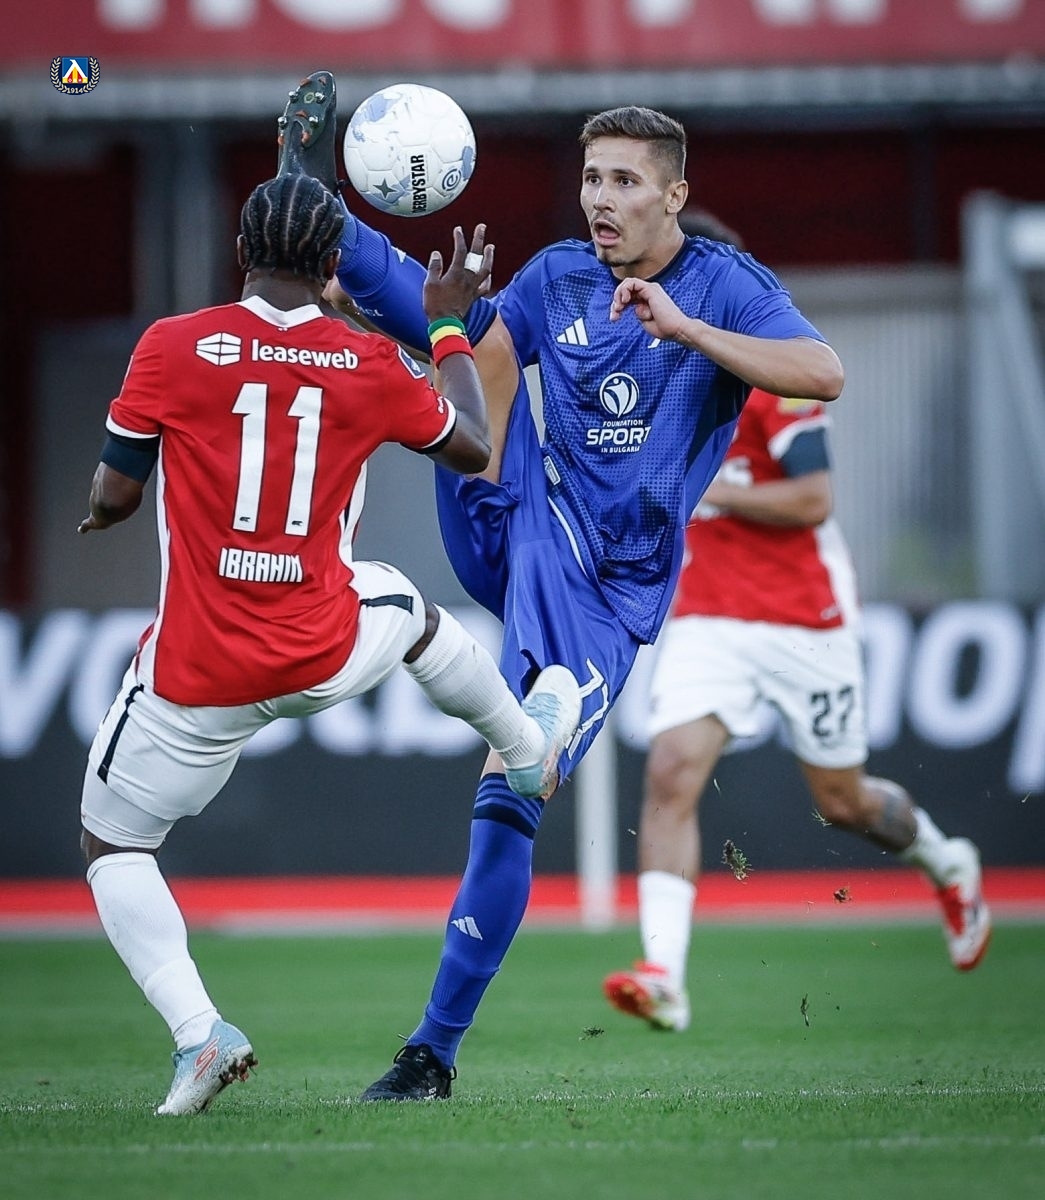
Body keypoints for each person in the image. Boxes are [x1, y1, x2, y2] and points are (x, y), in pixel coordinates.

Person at [277, 71, 844, 1099]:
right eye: (591, 179)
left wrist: (686, 330)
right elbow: (480, 352)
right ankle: (323, 211)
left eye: (624, 181)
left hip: (610, 589)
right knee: (482, 332)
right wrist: (422, 322)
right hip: (515, 515)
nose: (600, 199)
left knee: (510, 797)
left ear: (673, 195)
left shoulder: (723, 284)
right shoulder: (561, 274)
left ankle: (430, 1053)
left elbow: (822, 372)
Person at [77, 171, 582, 1117]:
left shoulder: (169, 346)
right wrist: (443, 323)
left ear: (241, 252)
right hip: (325, 648)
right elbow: (473, 445)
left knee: (113, 845)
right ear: (332, 264)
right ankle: (524, 750)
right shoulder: (368, 361)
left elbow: (116, 493)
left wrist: (97, 516)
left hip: (197, 674)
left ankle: (199, 1035)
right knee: (412, 614)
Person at [601, 214, 991, 1033]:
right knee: (670, 770)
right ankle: (663, 975)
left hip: (801, 615)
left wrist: (704, 492)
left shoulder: (774, 371)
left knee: (843, 801)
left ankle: (945, 859)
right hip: (708, 614)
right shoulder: (647, 373)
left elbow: (813, 499)